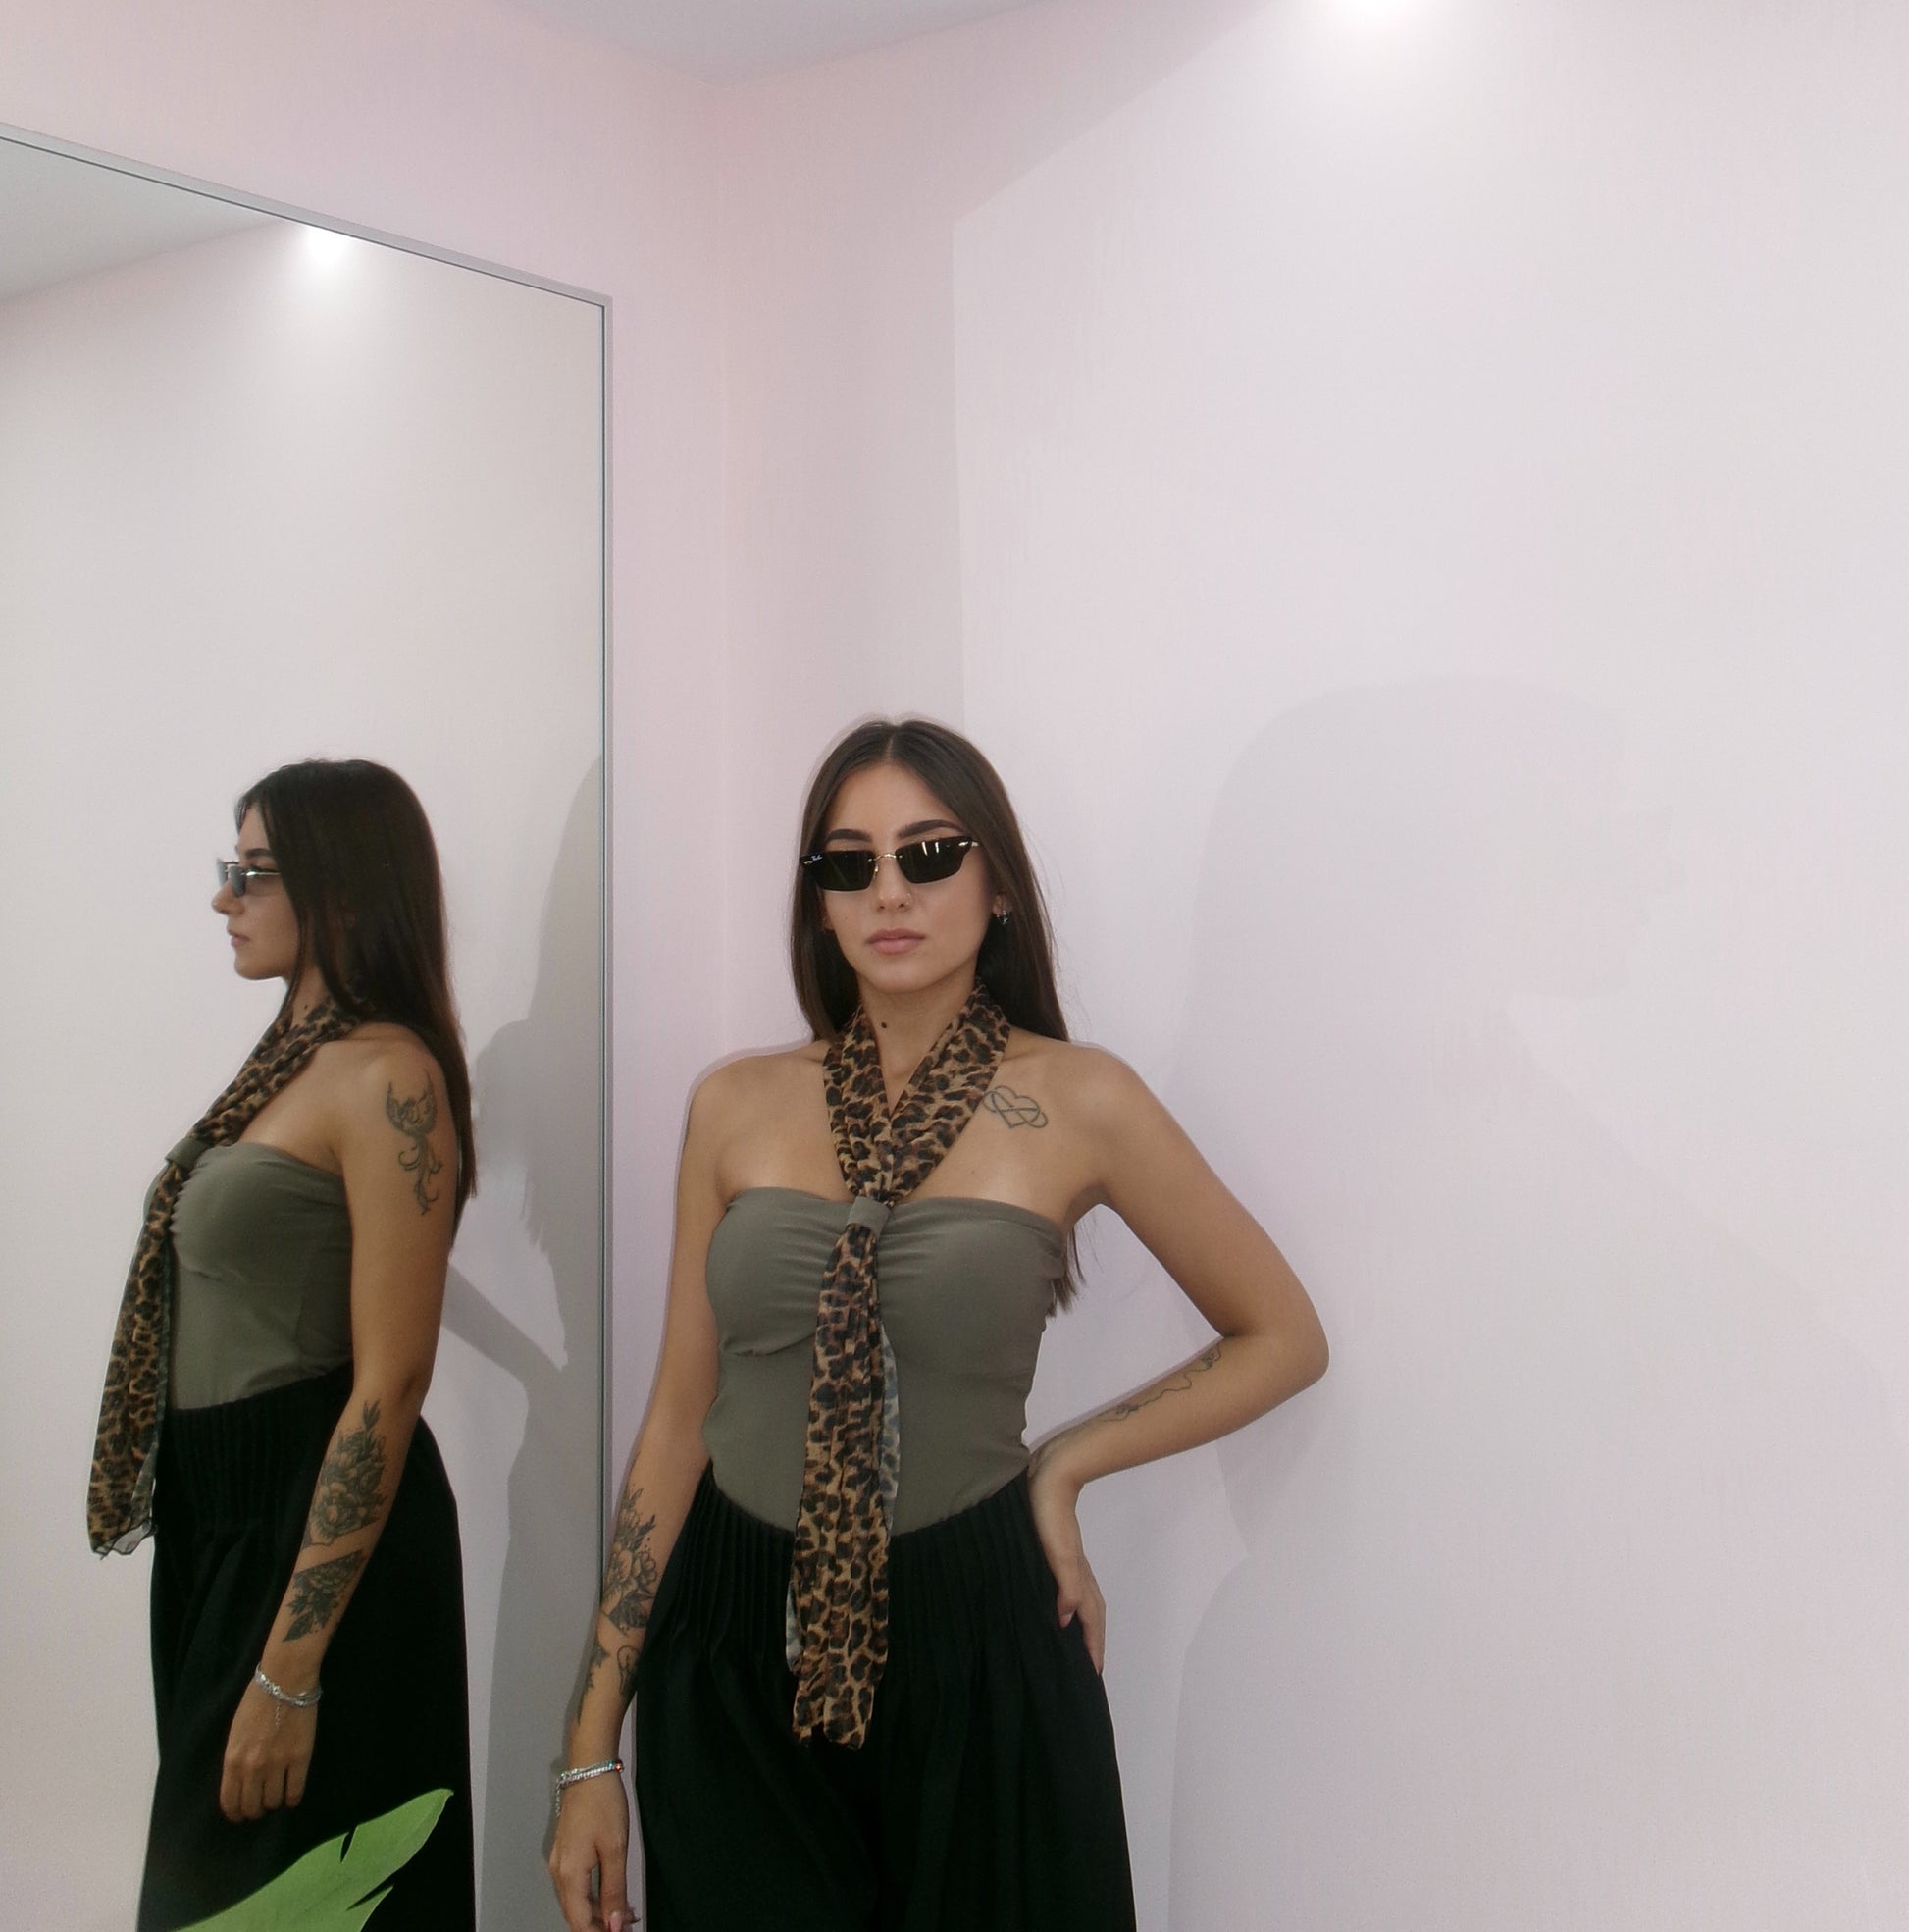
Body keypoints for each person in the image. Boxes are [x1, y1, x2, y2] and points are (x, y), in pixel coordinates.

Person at [549, 717, 1329, 1932]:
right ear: (816, 902)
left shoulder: (1081, 1099)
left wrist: (1065, 1464)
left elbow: (1280, 1334)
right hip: (734, 1641)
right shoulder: (735, 1105)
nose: (889, 891)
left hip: (977, 1635)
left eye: (928, 852)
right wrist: (590, 1746)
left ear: (996, 883)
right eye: (847, 863)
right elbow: (675, 1423)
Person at [90, 758, 479, 1930]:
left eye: (252, 871)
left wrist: (288, 1669)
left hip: (313, 1527)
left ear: (341, 889)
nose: (225, 898)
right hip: (222, 1519)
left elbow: (392, 1380)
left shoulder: (388, 1076)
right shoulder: (286, 1064)